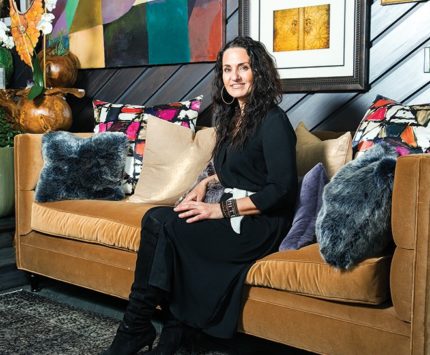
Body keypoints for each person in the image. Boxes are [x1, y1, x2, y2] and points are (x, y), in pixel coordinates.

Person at [103, 36, 298, 355]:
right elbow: (242, 166)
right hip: (235, 214)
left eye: (243, 68)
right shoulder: (234, 117)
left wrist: (219, 211)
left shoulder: (274, 121)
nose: (234, 76)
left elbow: (282, 190)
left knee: (160, 221)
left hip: (258, 225)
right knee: (162, 224)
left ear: (258, 72)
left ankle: (137, 327)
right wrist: (206, 183)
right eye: (227, 69)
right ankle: (170, 333)